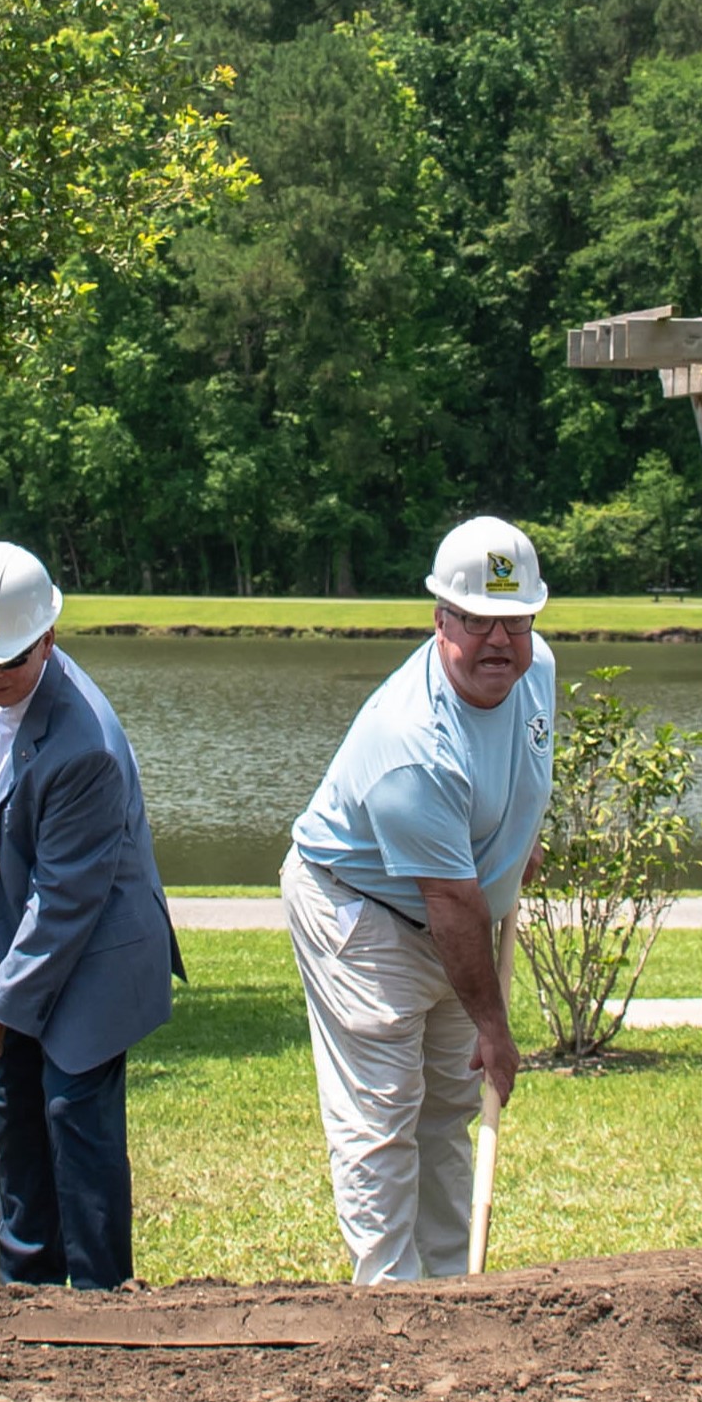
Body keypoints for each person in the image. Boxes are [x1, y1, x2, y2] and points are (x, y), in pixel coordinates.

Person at [282, 516, 556, 1283]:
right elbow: (452, 905)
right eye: (476, 621)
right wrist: (495, 1027)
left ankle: (448, 1292)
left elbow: (526, 760)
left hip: (444, 908)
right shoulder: (408, 743)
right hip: (360, 915)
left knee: (447, 1109)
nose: (499, 639)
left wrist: (519, 834)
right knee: (383, 1113)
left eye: (516, 620)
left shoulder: (537, 671)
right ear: (441, 620)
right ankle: (389, 1305)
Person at [0, 543, 180, 1289]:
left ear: (48, 638)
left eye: (7, 662)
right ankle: (22, 1291)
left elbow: (66, 900)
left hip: (92, 948)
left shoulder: (85, 746)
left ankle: (101, 1299)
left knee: (74, 1117)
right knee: (11, 1111)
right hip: (10, 922)